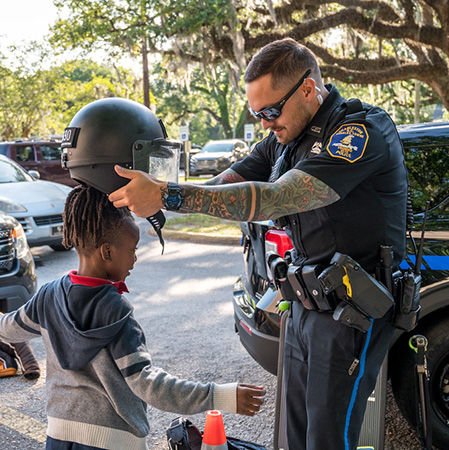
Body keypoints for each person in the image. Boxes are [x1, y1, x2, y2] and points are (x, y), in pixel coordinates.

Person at [109, 37, 408, 450]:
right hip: (306, 305)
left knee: (326, 438)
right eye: (257, 114)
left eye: (270, 111)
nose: (265, 123)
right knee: (293, 434)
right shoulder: (284, 138)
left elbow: (276, 197)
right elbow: (224, 185)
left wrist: (168, 196)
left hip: (353, 311)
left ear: (307, 88)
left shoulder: (358, 132)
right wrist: (160, 189)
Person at [0, 184, 265, 450]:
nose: (135, 258)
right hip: (113, 442)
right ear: (107, 252)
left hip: (58, 437)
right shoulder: (118, 313)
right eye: (133, 249)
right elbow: (147, 383)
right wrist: (219, 395)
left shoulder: (48, 296)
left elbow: (8, 328)